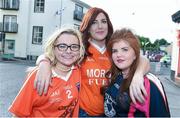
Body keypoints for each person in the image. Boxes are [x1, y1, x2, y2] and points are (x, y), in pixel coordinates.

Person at [34, 7, 150, 116]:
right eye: (94, 22)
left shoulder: (114, 50)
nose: (100, 26)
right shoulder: (80, 49)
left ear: (108, 25)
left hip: (110, 113)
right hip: (83, 113)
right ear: (87, 27)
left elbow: (142, 59)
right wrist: (44, 63)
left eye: (103, 21)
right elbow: (53, 53)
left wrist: (138, 75)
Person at [8, 27, 85, 117]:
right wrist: (44, 62)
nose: (68, 51)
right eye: (62, 46)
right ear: (53, 48)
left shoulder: (78, 71)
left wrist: (44, 60)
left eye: (74, 46)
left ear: (80, 50)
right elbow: (18, 114)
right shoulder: (38, 76)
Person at [103, 28, 170, 117]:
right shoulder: (115, 75)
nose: (118, 54)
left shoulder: (148, 83)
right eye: (115, 51)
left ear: (135, 54)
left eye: (125, 49)